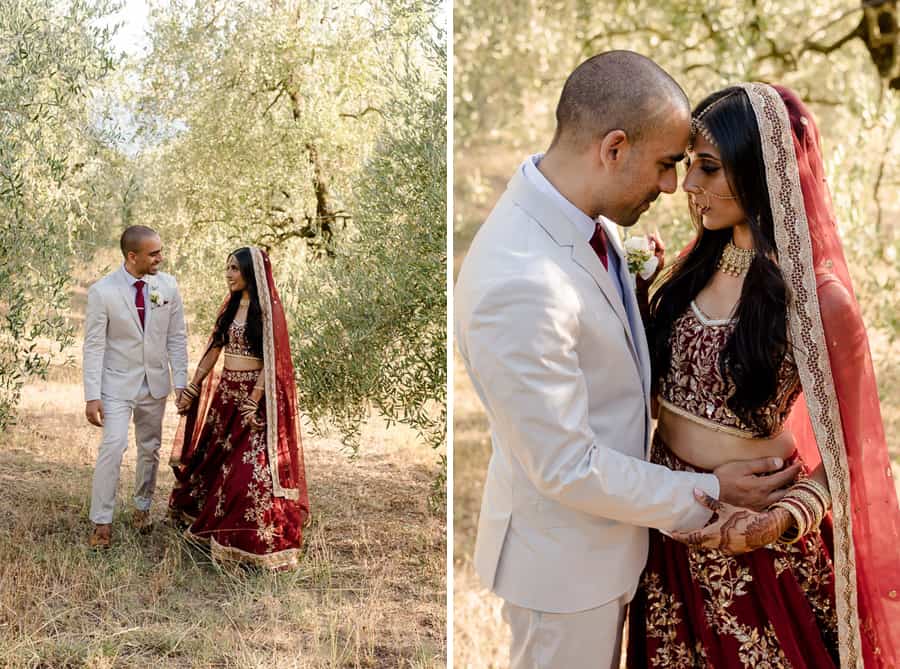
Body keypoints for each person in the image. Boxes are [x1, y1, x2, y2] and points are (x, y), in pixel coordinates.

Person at [454, 51, 798, 668]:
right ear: (614, 149)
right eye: (668, 164)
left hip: (617, 548)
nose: (675, 187)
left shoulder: (588, 225)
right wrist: (710, 488)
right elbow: (564, 463)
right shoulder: (520, 278)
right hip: (563, 573)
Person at [627, 83, 900, 668]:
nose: (689, 187)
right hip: (670, 531)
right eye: (686, 166)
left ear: (761, 169)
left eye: (709, 168)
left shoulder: (818, 302)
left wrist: (781, 519)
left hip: (758, 551)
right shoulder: (685, 274)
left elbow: (856, 451)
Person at [168, 247, 310, 571]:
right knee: (214, 465)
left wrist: (254, 399)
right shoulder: (231, 308)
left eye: (234, 268)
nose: (229, 274)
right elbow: (214, 348)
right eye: (227, 267)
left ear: (251, 272)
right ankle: (217, 531)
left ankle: (254, 543)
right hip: (226, 398)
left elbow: (271, 361)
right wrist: (194, 385)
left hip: (254, 406)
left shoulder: (267, 312)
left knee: (248, 475)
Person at [83, 225, 189, 548]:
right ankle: (101, 521)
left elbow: (176, 338)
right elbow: (94, 346)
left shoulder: (167, 286)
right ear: (132, 256)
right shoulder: (103, 292)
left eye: (160, 250)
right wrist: (92, 395)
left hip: (154, 383)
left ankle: (142, 508)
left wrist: (181, 383)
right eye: (153, 253)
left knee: (150, 448)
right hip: (116, 383)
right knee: (113, 446)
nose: (160, 257)